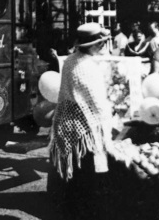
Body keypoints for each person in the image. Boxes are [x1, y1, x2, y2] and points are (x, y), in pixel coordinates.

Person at [49, 22, 120, 220]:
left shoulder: (70, 60)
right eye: (101, 43)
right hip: (83, 130)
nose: (102, 47)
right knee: (87, 183)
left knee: (72, 182)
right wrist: (111, 123)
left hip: (65, 125)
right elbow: (98, 103)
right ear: (94, 45)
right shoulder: (88, 66)